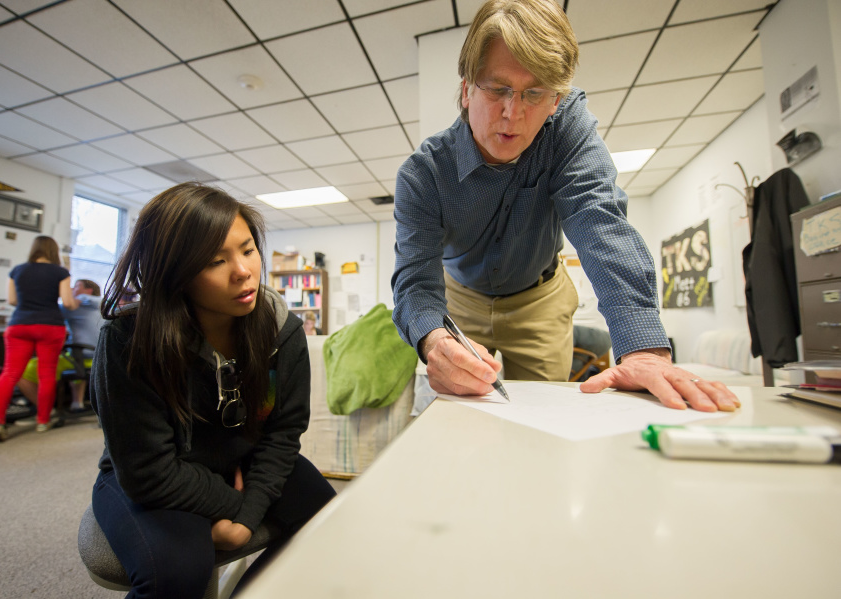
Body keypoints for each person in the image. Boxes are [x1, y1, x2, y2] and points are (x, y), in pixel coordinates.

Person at [391, 0, 739, 412]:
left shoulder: (568, 129)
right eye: (498, 88)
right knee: (451, 414)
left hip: (540, 298)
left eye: (534, 93)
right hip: (459, 299)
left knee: (546, 418)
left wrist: (644, 349)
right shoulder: (423, 174)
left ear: (556, 100)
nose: (512, 114)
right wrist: (434, 340)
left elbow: (600, 220)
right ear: (466, 89)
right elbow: (415, 282)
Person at [90, 182, 336, 599]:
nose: (243, 271)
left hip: (241, 457)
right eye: (215, 261)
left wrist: (246, 515)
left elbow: (282, 435)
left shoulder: (282, 329)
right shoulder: (129, 340)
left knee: (332, 529)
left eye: (247, 250)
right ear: (175, 274)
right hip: (151, 472)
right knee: (177, 572)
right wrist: (233, 506)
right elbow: (147, 471)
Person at [0, 236, 78, 441]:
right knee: (46, 375)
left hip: (19, 324)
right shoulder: (60, 272)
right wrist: (75, 304)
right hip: (50, 325)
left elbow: (12, 300)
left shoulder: (17, 270)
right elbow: (68, 302)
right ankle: (43, 421)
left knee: (9, 374)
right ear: (53, 251)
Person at [16, 278, 103, 412]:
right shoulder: (100, 306)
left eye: (77, 286)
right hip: (98, 358)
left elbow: (46, 312)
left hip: (84, 358)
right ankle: (76, 403)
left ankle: (46, 411)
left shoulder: (76, 306)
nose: (73, 289)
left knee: (20, 370)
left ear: (88, 291)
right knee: (73, 355)